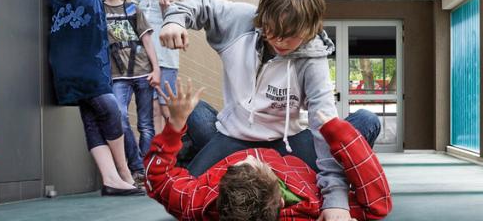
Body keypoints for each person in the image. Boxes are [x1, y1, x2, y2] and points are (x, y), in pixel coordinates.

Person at [158, 0, 382, 219]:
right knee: (192, 115)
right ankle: (193, 159)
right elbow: (200, 4)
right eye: (272, 30)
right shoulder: (241, 19)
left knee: (366, 121)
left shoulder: (313, 58)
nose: (278, 40)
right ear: (262, 16)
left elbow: (324, 128)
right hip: (235, 135)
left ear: (309, 30)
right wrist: (175, 20)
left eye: (290, 35)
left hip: (290, 144)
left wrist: (336, 201)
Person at [144, 78, 392, 220]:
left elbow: (156, 180)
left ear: (221, 189)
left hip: (229, 148)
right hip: (296, 156)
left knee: (193, 112)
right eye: (257, 163)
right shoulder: (311, 209)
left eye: (240, 167)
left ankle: (193, 158)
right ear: (280, 197)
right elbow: (378, 205)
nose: (255, 155)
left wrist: (174, 126)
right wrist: (334, 130)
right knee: (367, 119)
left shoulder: (200, 201)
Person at [49, 0, 144, 196]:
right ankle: (123, 172)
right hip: (77, 65)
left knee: (92, 119)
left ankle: (110, 179)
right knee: (111, 109)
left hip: (96, 64)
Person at [102, 0, 160, 185]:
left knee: (146, 125)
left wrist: (156, 70)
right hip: (117, 75)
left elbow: (147, 40)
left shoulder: (133, 9)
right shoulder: (99, 9)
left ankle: (145, 171)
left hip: (143, 70)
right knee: (120, 117)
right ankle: (136, 166)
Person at [132, 0, 182, 135]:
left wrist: (165, 9)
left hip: (166, 59)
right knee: (153, 112)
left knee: (166, 110)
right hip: (145, 61)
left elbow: (176, 19)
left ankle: (175, 154)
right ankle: (157, 159)